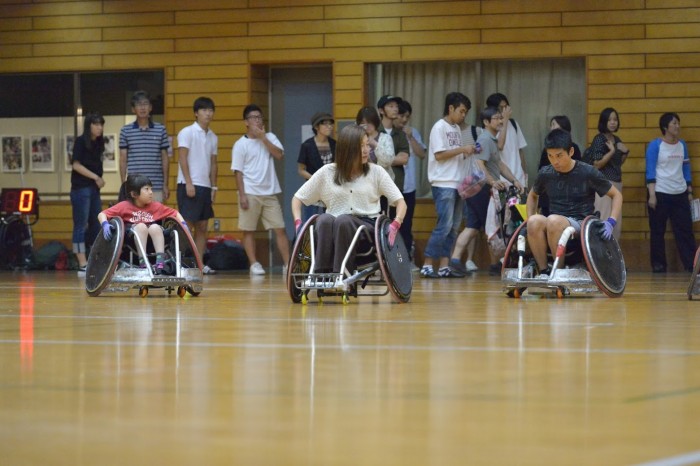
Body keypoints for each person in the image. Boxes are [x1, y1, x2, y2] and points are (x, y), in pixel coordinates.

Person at [291, 124, 406, 274]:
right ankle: (321, 274)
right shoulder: (327, 172)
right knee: (324, 219)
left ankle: (342, 274)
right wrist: (298, 223)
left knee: (343, 220)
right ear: (347, 149)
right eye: (361, 146)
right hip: (332, 228)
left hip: (366, 232)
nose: (366, 150)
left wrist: (396, 224)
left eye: (367, 145)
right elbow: (297, 199)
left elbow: (400, 202)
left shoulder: (376, 172)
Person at [527, 128, 622, 277]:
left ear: (570, 152)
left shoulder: (587, 172)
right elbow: (532, 195)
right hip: (556, 221)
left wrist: (611, 221)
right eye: (550, 156)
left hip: (581, 224)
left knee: (553, 220)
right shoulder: (546, 173)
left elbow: (616, 195)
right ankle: (544, 271)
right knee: (533, 221)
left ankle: (558, 272)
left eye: (559, 156)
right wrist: (529, 217)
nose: (555, 161)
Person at [449, 106, 524, 276]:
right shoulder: (485, 140)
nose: (500, 121)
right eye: (497, 118)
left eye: (500, 118)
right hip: (480, 190)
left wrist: (514, 180)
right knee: (492, 228)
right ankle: (496, 264)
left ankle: (455, 261)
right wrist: (492, 181)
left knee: (473, 227)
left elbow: (499, 164)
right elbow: (479, 164)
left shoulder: (492, 139)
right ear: (486, 122)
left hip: (481, 189)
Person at [420, 92, 476, 278]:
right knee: (444, 225)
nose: (463, 116)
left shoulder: (456, 129)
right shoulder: (439, 127)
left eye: (465, 112)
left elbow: (453, 155)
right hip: (443, 182)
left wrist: (467, 152)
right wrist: (462, 149)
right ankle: (427, 264)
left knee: (453, 227)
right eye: (461, 111)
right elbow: (439, 155)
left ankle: (444, 265)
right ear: (450, 108)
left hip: (457, 182)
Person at [232, 104, 290, 275]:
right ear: (246, 122)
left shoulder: (270, 137)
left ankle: (288, 264)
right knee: (248, 229)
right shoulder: (240, 144)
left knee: (280, 228)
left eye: (260, 117)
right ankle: (254, 264)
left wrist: (263, 138)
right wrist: (242, 195)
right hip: (249, 191)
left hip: (270, 192)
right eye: (253, 117)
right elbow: (238, 172)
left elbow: (279, 155)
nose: (257, 120)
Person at [98, 174, 188, 274]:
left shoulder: (155, 206)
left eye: (151, 189)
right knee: (141, 226)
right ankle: (143, 262)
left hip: (153, 239)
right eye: (146, 189)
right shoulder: (124, 206)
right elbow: (102, 214)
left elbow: (175, 213)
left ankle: (160, 262)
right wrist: (105, 224)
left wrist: (183, 224)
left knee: (155, 227)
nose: (151, 192)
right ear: (134, 194)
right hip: (133, 239)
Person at [645, 112, 696, 273]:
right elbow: (650, 171)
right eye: (674, 123)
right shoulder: (655, 145)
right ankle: (659, 265)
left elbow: (686, 167)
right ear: (665, 127)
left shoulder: (682, 145)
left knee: (685, 231)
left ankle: (692, 265)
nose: (677, 126)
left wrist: (689, 190)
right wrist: (652, 195)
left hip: (680, 192)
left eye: (678, 123)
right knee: (657, 231)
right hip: (660, 192)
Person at [176, 96, 218, 274]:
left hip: (205, 186)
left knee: (202, 226)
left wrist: (214, 187)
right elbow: (182, 157)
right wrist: (189, 182)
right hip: (188, 184)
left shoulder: (213, 136)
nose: (208, 113)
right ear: (196, 113)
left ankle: (199, 264)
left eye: (210, 110)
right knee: (187, 226)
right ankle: (183, 262)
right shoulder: (187, 132)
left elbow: (214, 163)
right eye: (204, 110)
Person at [582, 107, 629, 241]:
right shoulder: (599, 139)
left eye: (615, 119)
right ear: (604, 122)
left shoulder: (617, 138)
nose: (613, 122)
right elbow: (597, 164)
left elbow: (618, 163)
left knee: (616, 222)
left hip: (617, 183)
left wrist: (625, 153)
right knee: (603, 219)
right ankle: (599, 255)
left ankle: (613, 256)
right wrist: (611, 152)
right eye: (609, 120)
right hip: (603, 184)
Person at [71, 112, 106, 276]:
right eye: (96, 124)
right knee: (80, 224)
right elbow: (76, 165)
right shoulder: (80, 142)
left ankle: (93, 259)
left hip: (94, 189)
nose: (99, 128)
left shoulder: (99, 143)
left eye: (101, 124)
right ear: (89, 125)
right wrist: (96, 177)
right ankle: (81, 262)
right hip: (81, 188)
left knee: (96, 223)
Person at [119, 91, 171, 202]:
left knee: (156, 219)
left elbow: (165, 158)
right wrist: (124, 185)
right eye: (138, 104)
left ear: (151, 107)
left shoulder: (161, 129)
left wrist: (165, 184)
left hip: (155, 186)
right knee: (135, 219)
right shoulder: (125, 131)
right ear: (133, 109)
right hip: (134, 187)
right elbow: (123, 159)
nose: (142, 107)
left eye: (145, 103)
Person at [394, 100, 427, 259]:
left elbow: (422, 154)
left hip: (410, 187)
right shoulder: (389, 134)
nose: (404, 119)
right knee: (392, 223)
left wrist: (411, 137)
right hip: (393, 188)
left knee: (407, 224)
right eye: (401, 115)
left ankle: (407, 258)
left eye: (407, 116)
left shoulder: (412, 132)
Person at [537, 115, 582, 216]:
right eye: (551, 125)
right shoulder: (546, 149)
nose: (551, 128)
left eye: (554, 124)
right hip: (548, 195)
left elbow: (578, 170)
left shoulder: (573, 148)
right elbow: (541, 170)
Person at [297, 112, 337, 222]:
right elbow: (301, 170)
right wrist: (315, 179)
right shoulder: (307, 145)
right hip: (312, 187)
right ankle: (307, 239)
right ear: (316, 127)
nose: (329, 127)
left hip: (330, 188)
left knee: (330, 220)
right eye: (325, 124)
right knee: (310, 220)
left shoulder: (335, 144)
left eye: (330, 124)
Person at [486, 92, 528, 186]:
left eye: (506, 107)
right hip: (501, 180)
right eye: (501, 108)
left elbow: (520, 150)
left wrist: (525, 173)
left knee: (521, 201)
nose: (504, 111)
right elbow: (499, 146)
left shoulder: (513, 124)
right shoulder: (489, 128)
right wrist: (504, 122)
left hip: (518, 177)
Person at [377, 95, 410, 193]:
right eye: (391, 106)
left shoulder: (400, 134)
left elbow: (404, 158)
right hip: (376, 185)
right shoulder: (375, 131)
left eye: (396, 106)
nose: (395, 109)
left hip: (396, 184)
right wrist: (394, 159)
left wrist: (381, 158)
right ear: (381, 111)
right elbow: (371, 159)